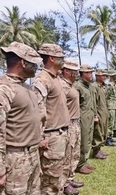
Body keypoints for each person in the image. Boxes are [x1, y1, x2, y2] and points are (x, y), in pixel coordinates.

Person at [0, 42, 42, 194]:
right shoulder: (4, 88)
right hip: (14, 158)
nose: (36, 68)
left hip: (32, 155)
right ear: (23, 62)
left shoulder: (27, 88)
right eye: (33, 64)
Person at [32, 43, 70, 194]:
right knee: (50, 182)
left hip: (61, 135)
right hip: (51, 137)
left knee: (59, 178)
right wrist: (40, 137)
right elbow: (37, 111)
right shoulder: (42, 79)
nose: (63, 60)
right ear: (52, 58)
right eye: (61, 57)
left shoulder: (55, 79)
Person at [60, 60, 84, 194]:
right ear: (66, 71)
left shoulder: (71, 85)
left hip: (76, 122)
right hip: (68, 123)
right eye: (74, 70)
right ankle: (64, 184)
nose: (76, 73)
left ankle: (70, 178)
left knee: (74, 153)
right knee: (67, 155)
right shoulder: (62, 86)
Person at [74, 65, 97, 174]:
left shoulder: (89, 86)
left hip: (90, 115)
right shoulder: (78, 86)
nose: (91, 75)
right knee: (83, 140)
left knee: (88, 139)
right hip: (82, 116)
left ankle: (84, 161)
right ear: (83, 74)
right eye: (89, 73)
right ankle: (79, 164)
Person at [92, 69, 110, 156]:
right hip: (99, 112)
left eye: (105, 75)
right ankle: (96, 150)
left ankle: (99, 148)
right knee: (98, 131)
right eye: (103, 75)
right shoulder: (94, 86)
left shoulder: (104, 86)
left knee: (104, 131)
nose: (105, 77)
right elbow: (93, 102)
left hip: (104, 111)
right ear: (97, 76)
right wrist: (95, 115)